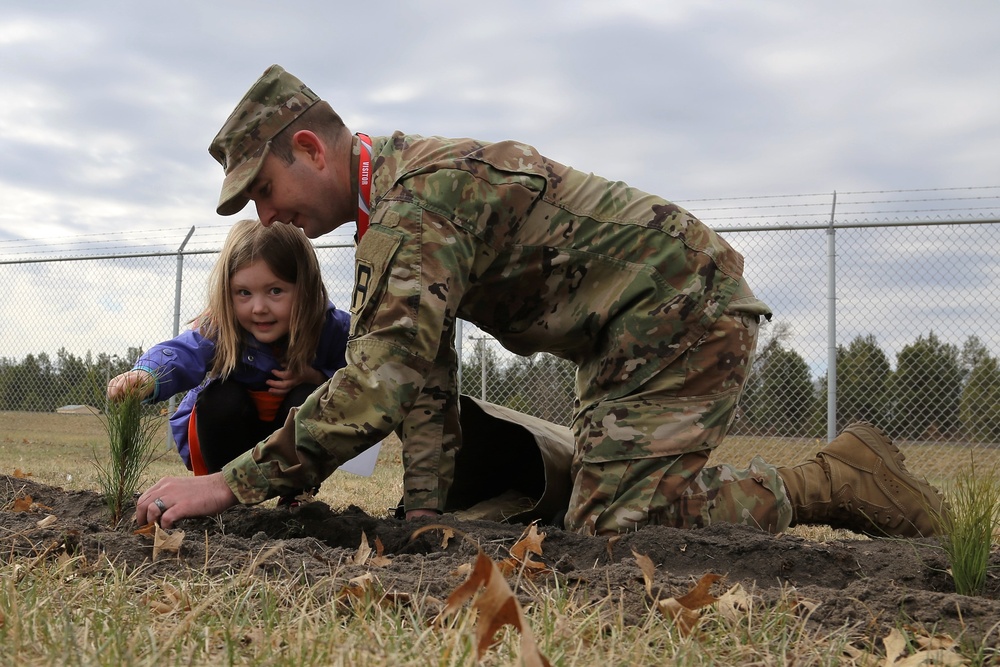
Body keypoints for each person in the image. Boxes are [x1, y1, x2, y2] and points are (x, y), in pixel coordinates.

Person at [137, 65, 947, 538]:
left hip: (680, 315)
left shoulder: (412, 205)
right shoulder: (391, 204)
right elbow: (422, 375)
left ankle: (835, 479)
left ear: (309, 148)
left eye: (265, 191)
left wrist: (228, 483)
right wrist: (423, 511)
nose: (266, 218)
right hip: (625, 334)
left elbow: (378, 381)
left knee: (619, 534)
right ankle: (822, 475)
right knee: (605, 508)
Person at [111, 218, 350, 501]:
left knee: (308, 395)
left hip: (287, 443)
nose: (259, 308)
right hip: (232, 435)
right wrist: (149, 374)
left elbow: (362, 375)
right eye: (244, 293)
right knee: (220, 396)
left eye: (275, 291)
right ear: (228, 292)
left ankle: (297, 499)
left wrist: (316, 376)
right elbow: (184, 351)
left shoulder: (331, 329)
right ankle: (218, 494)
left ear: (305, 288)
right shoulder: (221, 327)